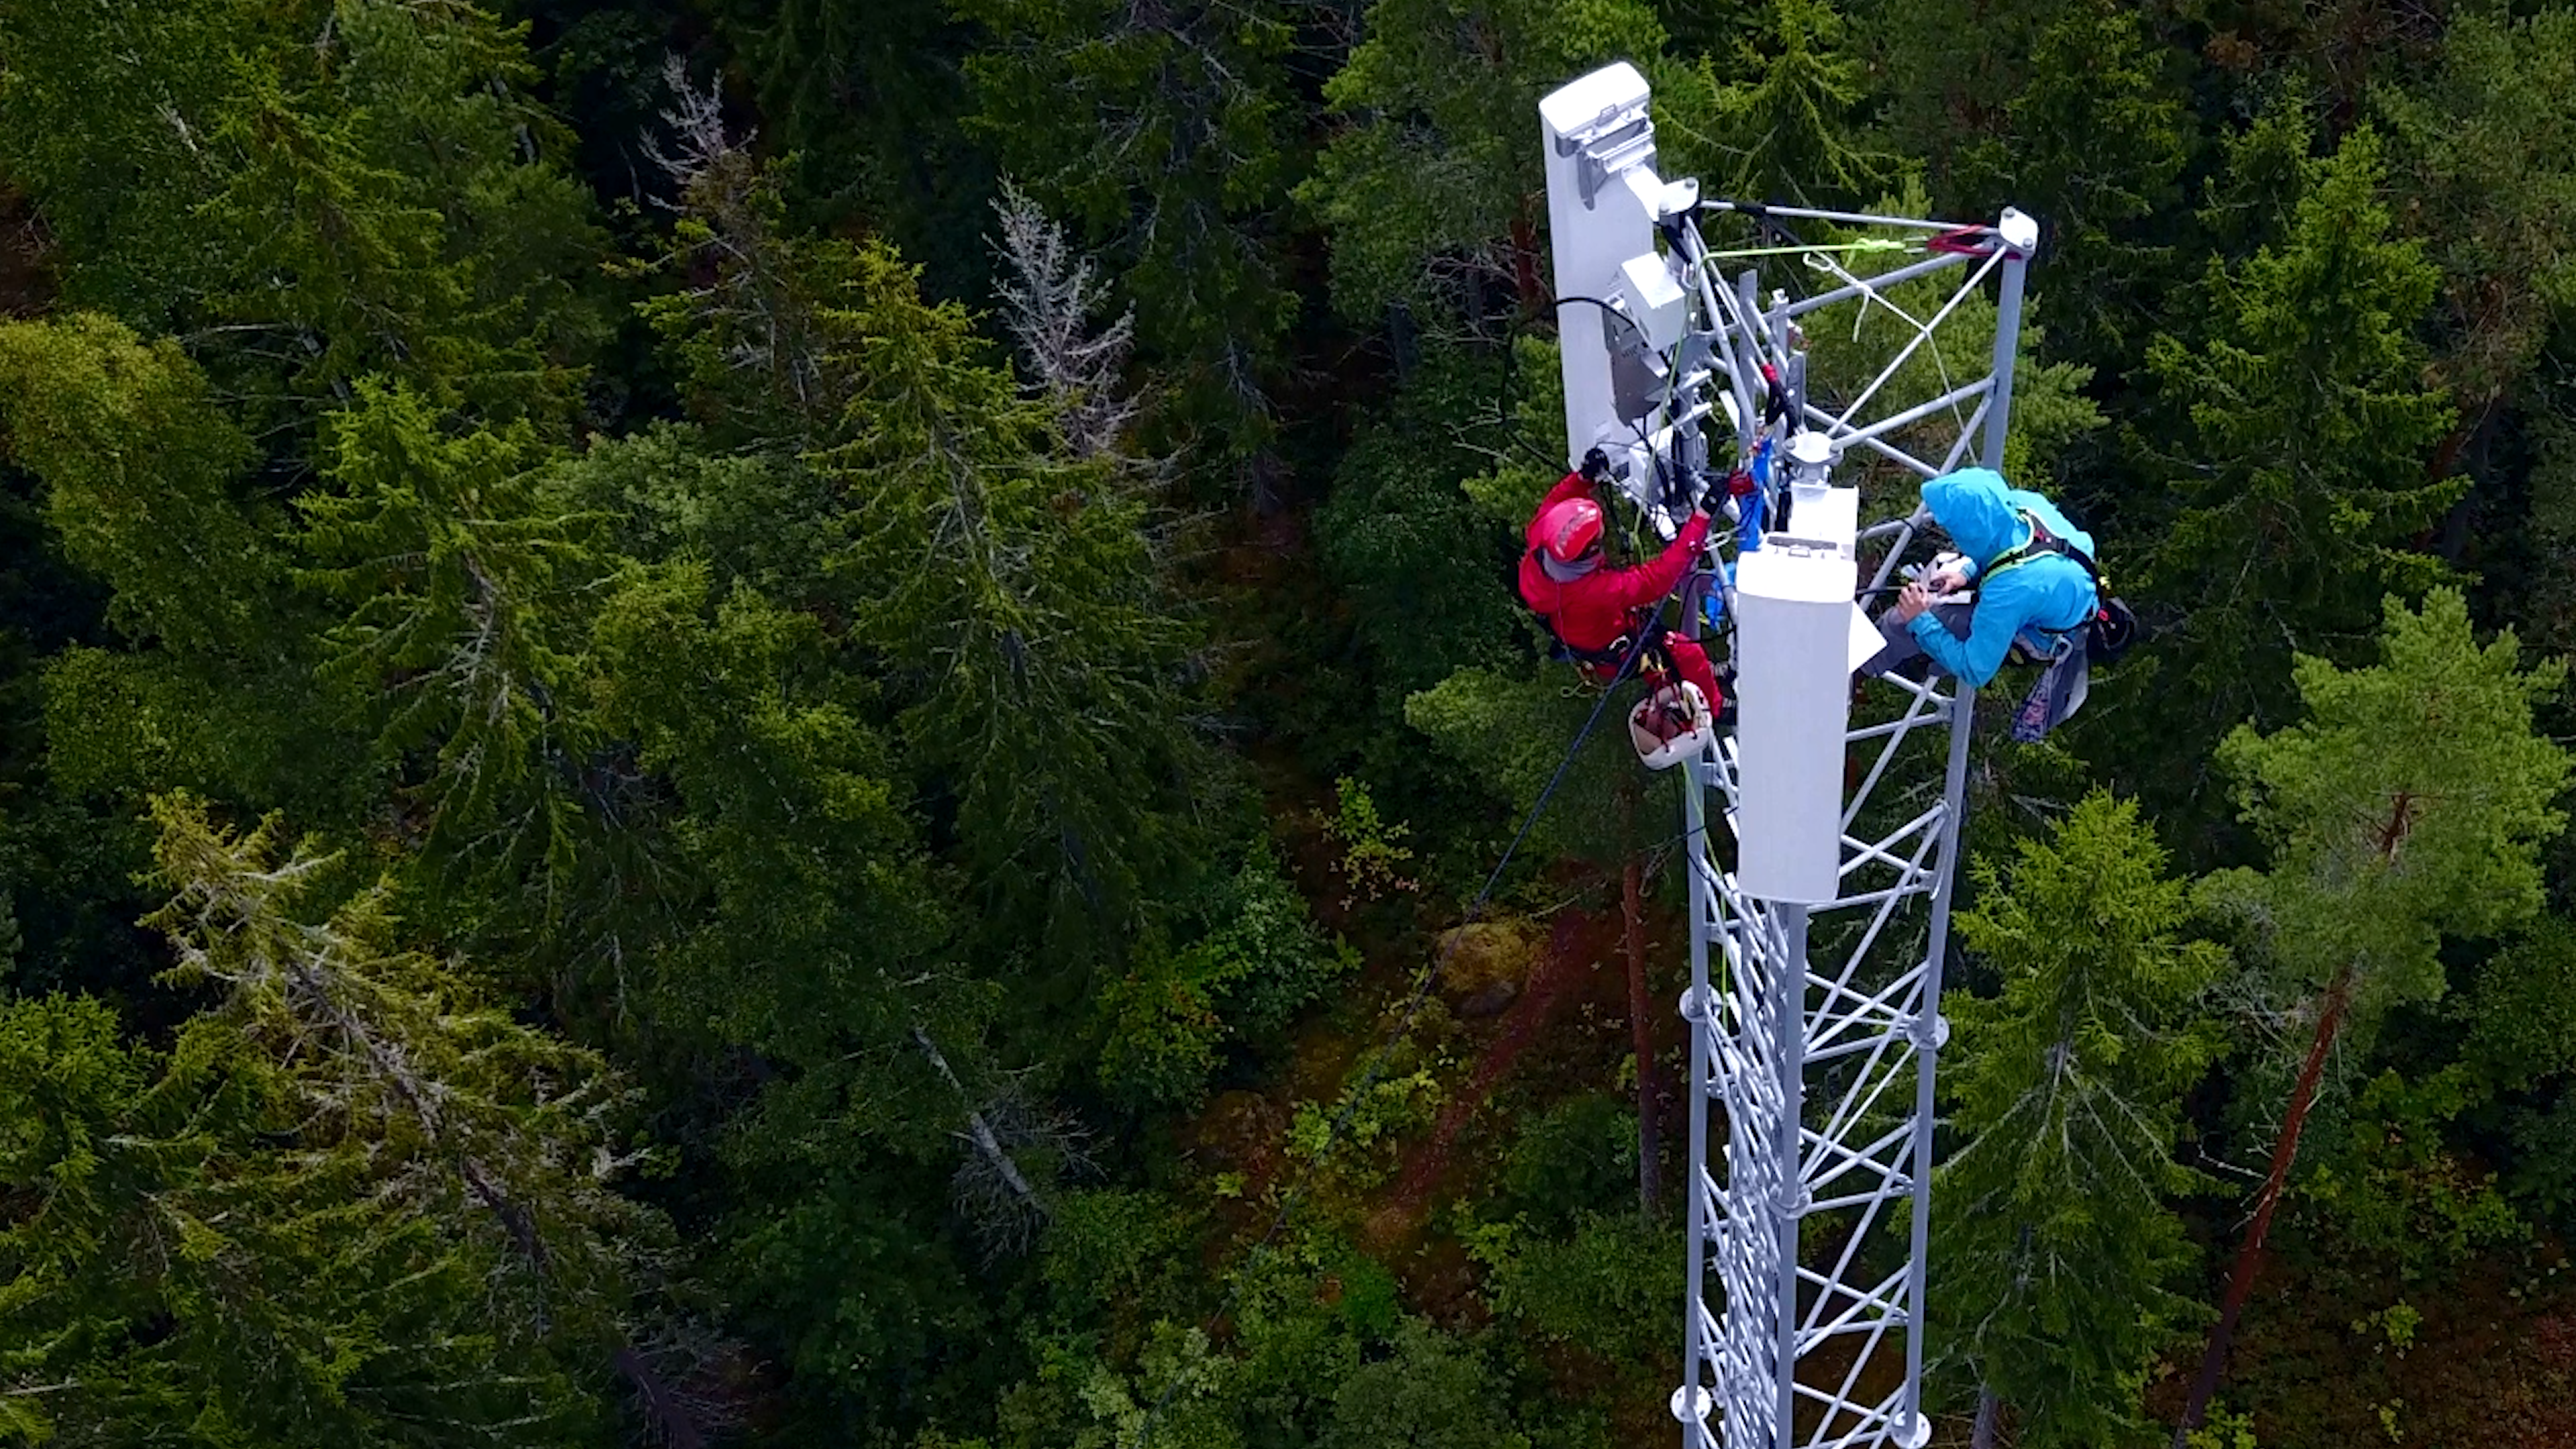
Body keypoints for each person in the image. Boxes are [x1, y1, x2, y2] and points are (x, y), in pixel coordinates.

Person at [1861, 466, 2100, 739]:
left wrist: (1920, 619)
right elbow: (2004, 542)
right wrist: (1965, 573)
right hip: (2056, 588)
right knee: (1941, 579)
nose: (1949, 533)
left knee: (1904, 623)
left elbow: (1976, 670)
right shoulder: (2022, 504)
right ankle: (1914, 650)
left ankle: (1860, 669)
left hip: (2043, 631)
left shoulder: (2012, 589)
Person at [1518, 447, 1725, 714]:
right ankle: (1717, 708)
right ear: (1590, 552)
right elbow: (1660, 578)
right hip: (1614, 649)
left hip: (1599, 636)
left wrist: (1584, 478)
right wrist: (1703, 517)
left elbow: (1557, 502)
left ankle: (1703, 677)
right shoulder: (1593, 591)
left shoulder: (1542, 541)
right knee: (1686, 653)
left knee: (1666, 662)